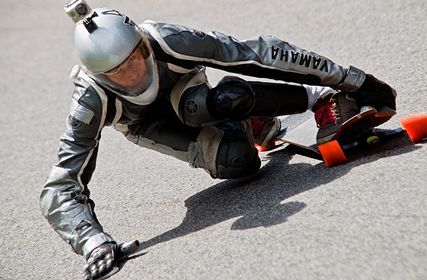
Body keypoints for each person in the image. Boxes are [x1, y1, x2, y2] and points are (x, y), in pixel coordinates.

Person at [40, 1, 397, 279]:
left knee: (214, 102)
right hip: (148, 126)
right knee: (237, 162)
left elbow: (256, 53)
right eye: (118, 72)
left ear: (143, 43)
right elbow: (59, 186)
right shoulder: (90, 99)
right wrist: (92, 241)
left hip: (191, 97)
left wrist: (351, 80)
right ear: (99, 75)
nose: (133, 74)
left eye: (136, 57)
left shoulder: (167, 38)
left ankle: (316, 99)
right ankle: (253, 124)